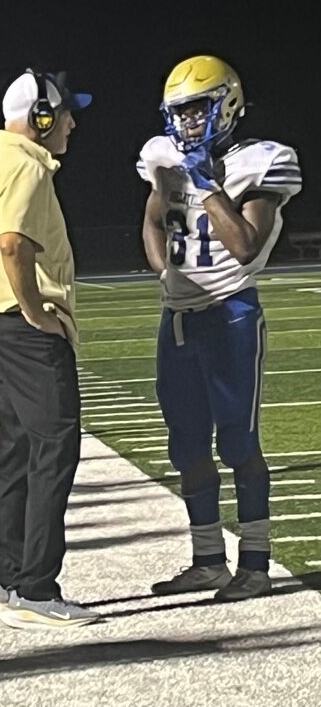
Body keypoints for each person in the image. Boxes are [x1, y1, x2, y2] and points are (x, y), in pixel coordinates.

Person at [137, 54, 302, 601]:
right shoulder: (165, 156)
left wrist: (208, 186)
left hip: (231, 314)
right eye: (179, 112)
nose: (187, 122)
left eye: (198, 109)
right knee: (186, 446)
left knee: (238, 442)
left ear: (227, 103)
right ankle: (207, 560)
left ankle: (254, 564)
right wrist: (166, 273)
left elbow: (246, 244)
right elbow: (154, 217)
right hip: (179, 318)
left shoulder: (261, 162)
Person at [0, 67, 99, 628]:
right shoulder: (26, 168)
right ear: (41, 117)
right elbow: (11, 242)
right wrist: (35, 310)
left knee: (17, 453)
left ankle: (11, 578)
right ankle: (36, 587)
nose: (71, 123)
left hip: (0, 327)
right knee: (54, 450)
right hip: (28, 332)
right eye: (64, 113)